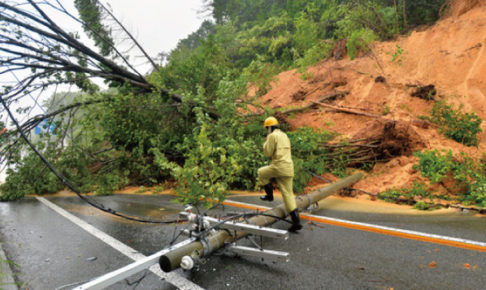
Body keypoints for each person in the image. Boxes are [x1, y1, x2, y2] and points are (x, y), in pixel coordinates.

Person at [257, 116, 302, 232]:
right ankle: (296, 221)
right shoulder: (284, 135)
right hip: (288, 168)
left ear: (269, 127)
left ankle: (269, 195)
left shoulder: (272, 136)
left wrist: (266, 142)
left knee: (261, 172)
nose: (267, 130)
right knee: (288, 194)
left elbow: (267, 153)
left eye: (267, 128)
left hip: (278, 167)